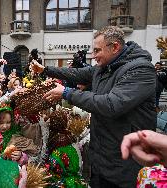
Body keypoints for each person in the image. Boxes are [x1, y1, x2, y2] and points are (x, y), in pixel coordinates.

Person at [30, 26, 156, 187]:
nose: (93, 55)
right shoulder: (104, 67)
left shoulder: (140, 70)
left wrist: (67, 93)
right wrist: (46, 70)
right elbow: (78, 74)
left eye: (97, 50)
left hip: (127, 163)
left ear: (115, 47)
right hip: (102, 159)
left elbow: (111, 104)